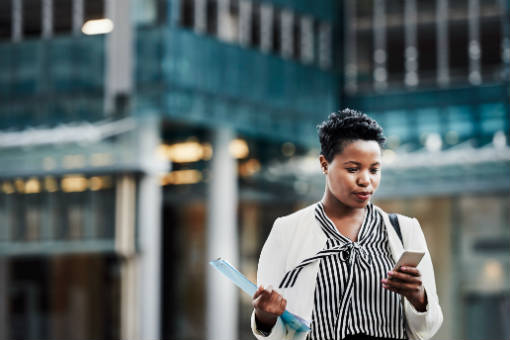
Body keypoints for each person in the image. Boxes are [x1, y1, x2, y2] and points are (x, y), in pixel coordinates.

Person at [250, 109, 443, 340]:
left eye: (374, 170)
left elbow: (428, 329)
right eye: (353, 169)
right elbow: (275, 332)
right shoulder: (286, 232)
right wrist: (265, 316)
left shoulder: (405, 231)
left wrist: (419, 298)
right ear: (324, 164)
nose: (365, 180)